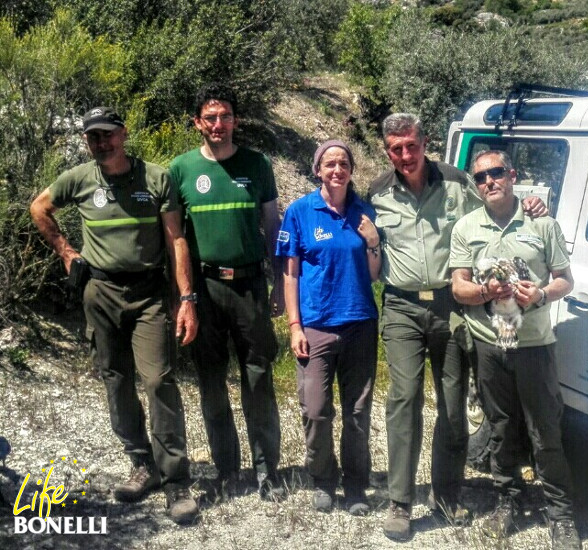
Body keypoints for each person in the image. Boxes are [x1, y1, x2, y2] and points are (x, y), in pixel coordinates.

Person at [367, 113, 546, 541]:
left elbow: (495, 209)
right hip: (402, 307)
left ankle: (446, 495)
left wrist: (532, 204)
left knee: (451, 404)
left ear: (424, 142)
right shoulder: (376, 192)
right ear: (387, 150)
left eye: (411, 145)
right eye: (396, 149)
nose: (405, 155)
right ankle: (400, 502)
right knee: (404, 399)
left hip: (451, 304)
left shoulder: (456, 181)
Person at [30, 107, 199, 525]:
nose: (101, 143)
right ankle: (142, 464)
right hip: (99, 291)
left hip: (148, 296)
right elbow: (39, 207)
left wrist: (187, 298)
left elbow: (176, 239)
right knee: (116, 378)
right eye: (93, 137)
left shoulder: (156, 178)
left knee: (158, 380)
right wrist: (67, 252)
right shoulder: (80, 178)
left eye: (107, 135)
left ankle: (176, 480)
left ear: (123, 134)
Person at [450, 150, 581, 550]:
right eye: (481, 177)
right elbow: (458, 286)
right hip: (490, 345)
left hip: (533, 345)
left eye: (496, 173)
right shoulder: (466, 227)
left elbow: (565, 281)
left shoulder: (542, 223)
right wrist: (483, 291)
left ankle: (561, 516)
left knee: (544, 430)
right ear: (476, 185)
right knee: (501, 428)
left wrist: (540, 293)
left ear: (512, 175)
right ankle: (507, 501)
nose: (489, 181)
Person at [169, 83, 284, 501]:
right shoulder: (180, 169)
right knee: (211, 381)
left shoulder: (258, 164)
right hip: (204, 288)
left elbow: (273, 227)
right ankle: (226, 470)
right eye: (210, 117)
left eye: (226, 117)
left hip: (250, 285)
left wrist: (279, 284)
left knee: (259, 378)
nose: (219, 124)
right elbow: (176, 238)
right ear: (198, 122)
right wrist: (185, 298)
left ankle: (267, 470)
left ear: (235, 120)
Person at [277, 140, 381, 515]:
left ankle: (355, 487)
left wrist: (373, 242)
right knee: (317, 411)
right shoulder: (300, 211)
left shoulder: (364, 212)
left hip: (359, 325)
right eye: (329, 164)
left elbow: (374, 276)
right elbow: (290, 275)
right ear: (318, 170)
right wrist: (294, 326)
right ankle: (323, 479)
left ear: (351, 170)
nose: (337, 170)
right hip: (316, 326)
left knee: (357, 413)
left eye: (343, 163)